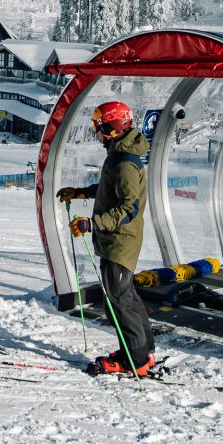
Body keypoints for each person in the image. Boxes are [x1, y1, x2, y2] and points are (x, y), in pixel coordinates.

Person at [56, 100, 154, 376]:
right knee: (126, 297)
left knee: (119, 302)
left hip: (120, 242)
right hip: (117, 240)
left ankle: (135, 360)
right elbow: (110, 189)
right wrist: (81, 192)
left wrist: (92, 223)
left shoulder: (125, 162)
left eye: (100, 127)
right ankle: (144, 352)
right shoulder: (119, 155)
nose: (97, 132)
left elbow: (129, 207)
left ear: (113, 127)